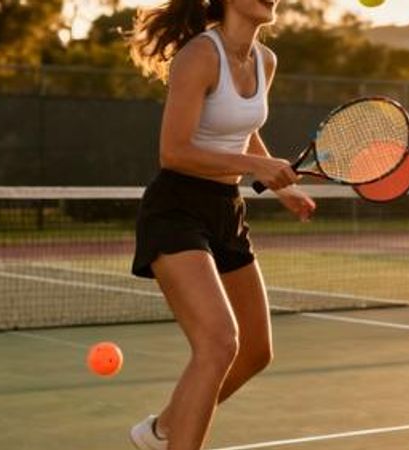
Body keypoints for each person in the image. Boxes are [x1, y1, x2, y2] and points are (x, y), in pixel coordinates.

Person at [127, 0, 315, 449]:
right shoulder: (199, 56)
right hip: (177, 207)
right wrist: (255, 165)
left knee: (254, 352)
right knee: (217, 343)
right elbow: (173, 151)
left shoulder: (264, 60)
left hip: (225, 208)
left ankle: (161, 430)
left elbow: (244, 127)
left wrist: (282, 186)